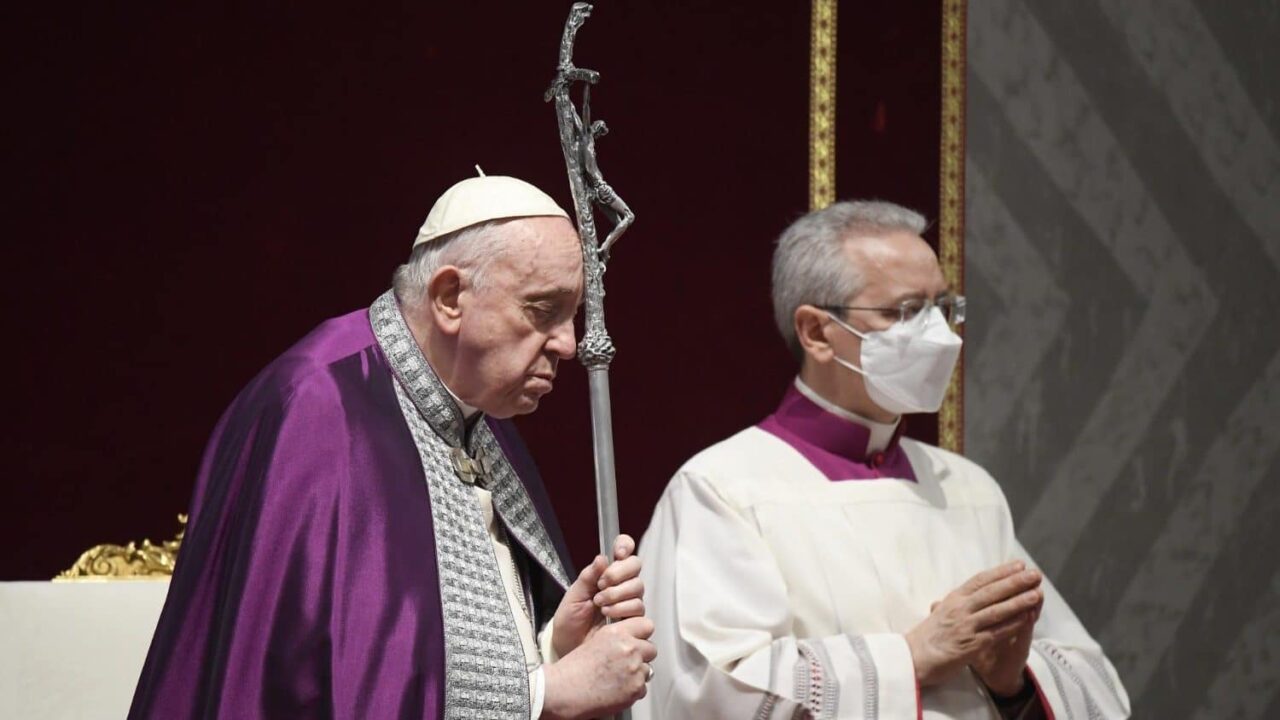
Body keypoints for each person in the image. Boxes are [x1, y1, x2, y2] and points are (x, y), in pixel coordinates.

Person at [129, 174, 656, 720]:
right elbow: (308, 684)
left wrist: (554, 646)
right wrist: (547, 695)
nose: (569, 345)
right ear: (450, 297)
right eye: (543, 311)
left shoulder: (478, 412)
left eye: (573, 316)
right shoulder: (316, 410)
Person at [633, 201, 1129, 719]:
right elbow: (705, 692)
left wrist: (1011, 681)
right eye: (907, 311)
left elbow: (1086, 676)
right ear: (817, 332)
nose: (939, 333)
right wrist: (911, 657)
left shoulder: (966, 487)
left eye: (944, 307)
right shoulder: (723, 488)